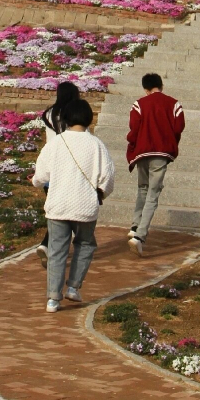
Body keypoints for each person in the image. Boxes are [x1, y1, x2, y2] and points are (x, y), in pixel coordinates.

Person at [32, 98, 115, 312]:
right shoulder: (97, 145)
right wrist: (101, 194)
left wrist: (36, 182)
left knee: (57, 250)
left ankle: (52, 298)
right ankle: (73, 287)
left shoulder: (56, 143)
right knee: (85, 244)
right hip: (85, 206)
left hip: (58, 204)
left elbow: (41, 175)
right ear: (89, 118)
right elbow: (107, 178)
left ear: (66, 119)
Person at [125, 73, 185, 254]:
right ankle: (140, 236)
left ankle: (135, 225)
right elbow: (178, 127)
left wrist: (133, 143)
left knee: (142, 188)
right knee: (153, 193)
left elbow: (133, 128)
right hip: (160, 152)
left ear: (145, 88)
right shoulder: (174, 104)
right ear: (161, 85)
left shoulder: (139, 104)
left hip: (142, 151)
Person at [34, 81, 81, 266]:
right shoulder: (73, 115)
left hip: (50, 168)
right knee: (66, 214)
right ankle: (51, 247)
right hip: (67, 170)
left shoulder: (49, 114)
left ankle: (48, 246)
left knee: (55, 213)